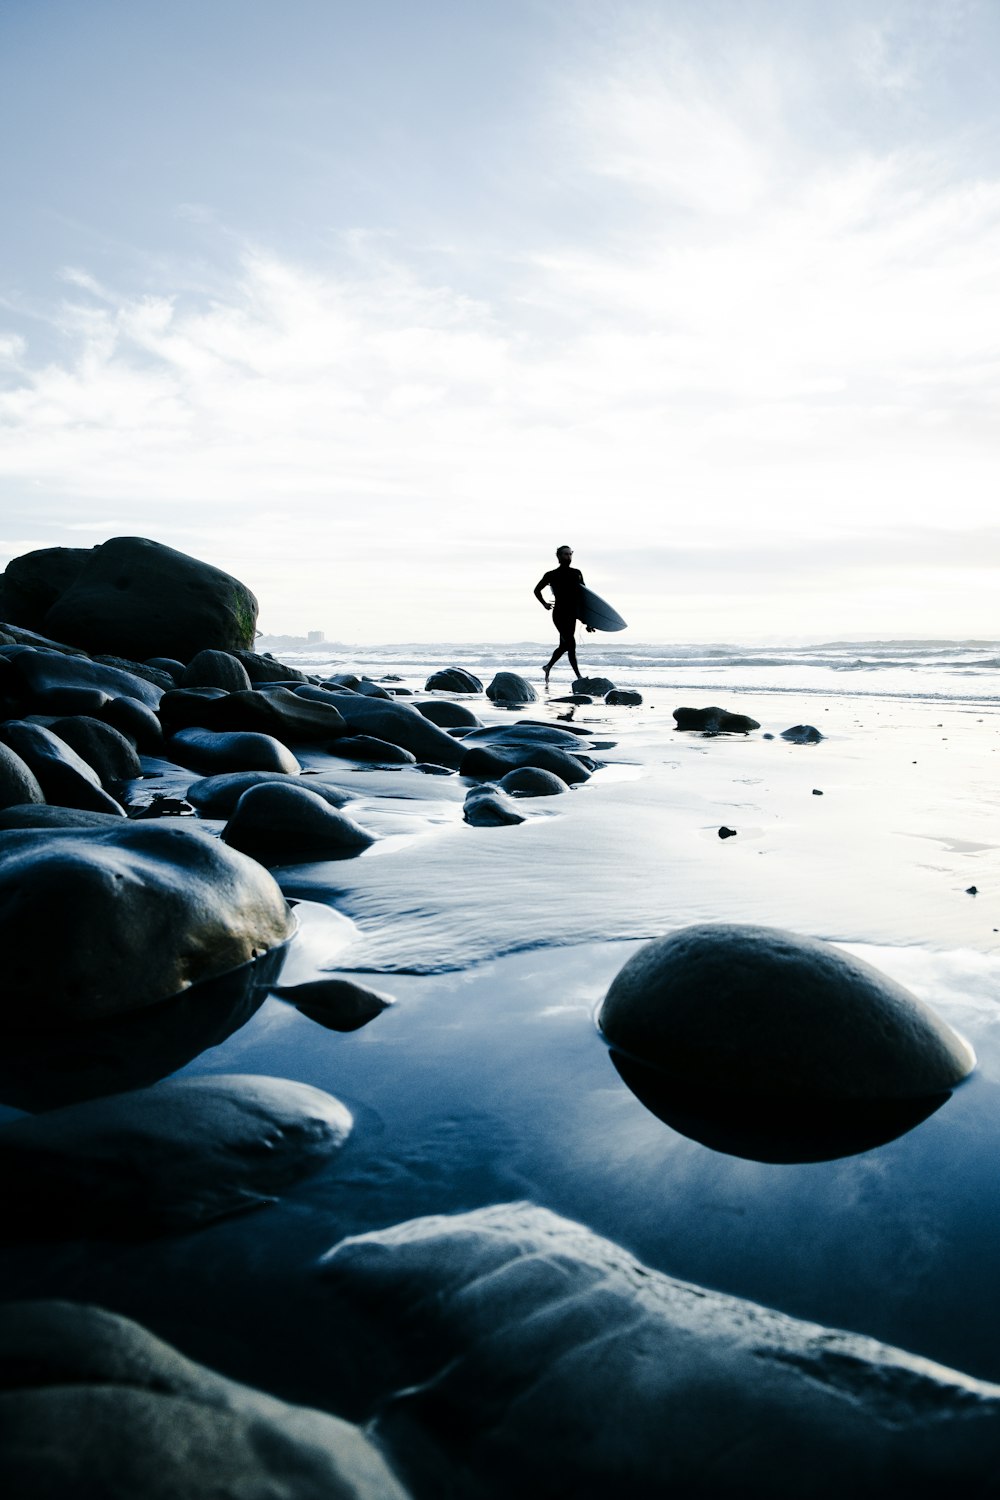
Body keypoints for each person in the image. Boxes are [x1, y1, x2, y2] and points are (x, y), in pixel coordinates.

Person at [534, 544, 594, 687]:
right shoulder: (551, 575)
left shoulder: (576, 573)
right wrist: (544, 604)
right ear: (559, 556)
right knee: (571, 644)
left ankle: (548, 667)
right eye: (566, 554)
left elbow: (585, 597)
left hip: (573, 613)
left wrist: (588, 621)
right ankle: (578, 676)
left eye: (570, 554)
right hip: (560, 613)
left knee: (564, 645)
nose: (569, 556)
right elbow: (536, 590)